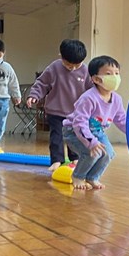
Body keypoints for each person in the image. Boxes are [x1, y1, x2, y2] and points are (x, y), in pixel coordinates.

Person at [62, 55, 129, 190]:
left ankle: (92, 177)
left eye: (117, 73)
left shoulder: (116, 99)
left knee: (108, 153)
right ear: (96, 79)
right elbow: (80, 123)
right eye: (109, 74)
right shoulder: (88, 98)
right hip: (74, 131)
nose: (115, 77)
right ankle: (78, 176)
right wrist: (91, 142)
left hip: (97, 131)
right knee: (92, 153)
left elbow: (122, 119)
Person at [26, 39, 93, 171]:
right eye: (69, 65)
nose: (73, 68)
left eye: (77, 65)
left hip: (76, 114)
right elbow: (42, 83)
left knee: (75, 137)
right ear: (61, 56)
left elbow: (92, 90)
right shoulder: (54, 67)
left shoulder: (86, 71)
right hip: (55, 111)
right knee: (56, 137)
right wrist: (34, 95)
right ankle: (57, 160)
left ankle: (75, 158)